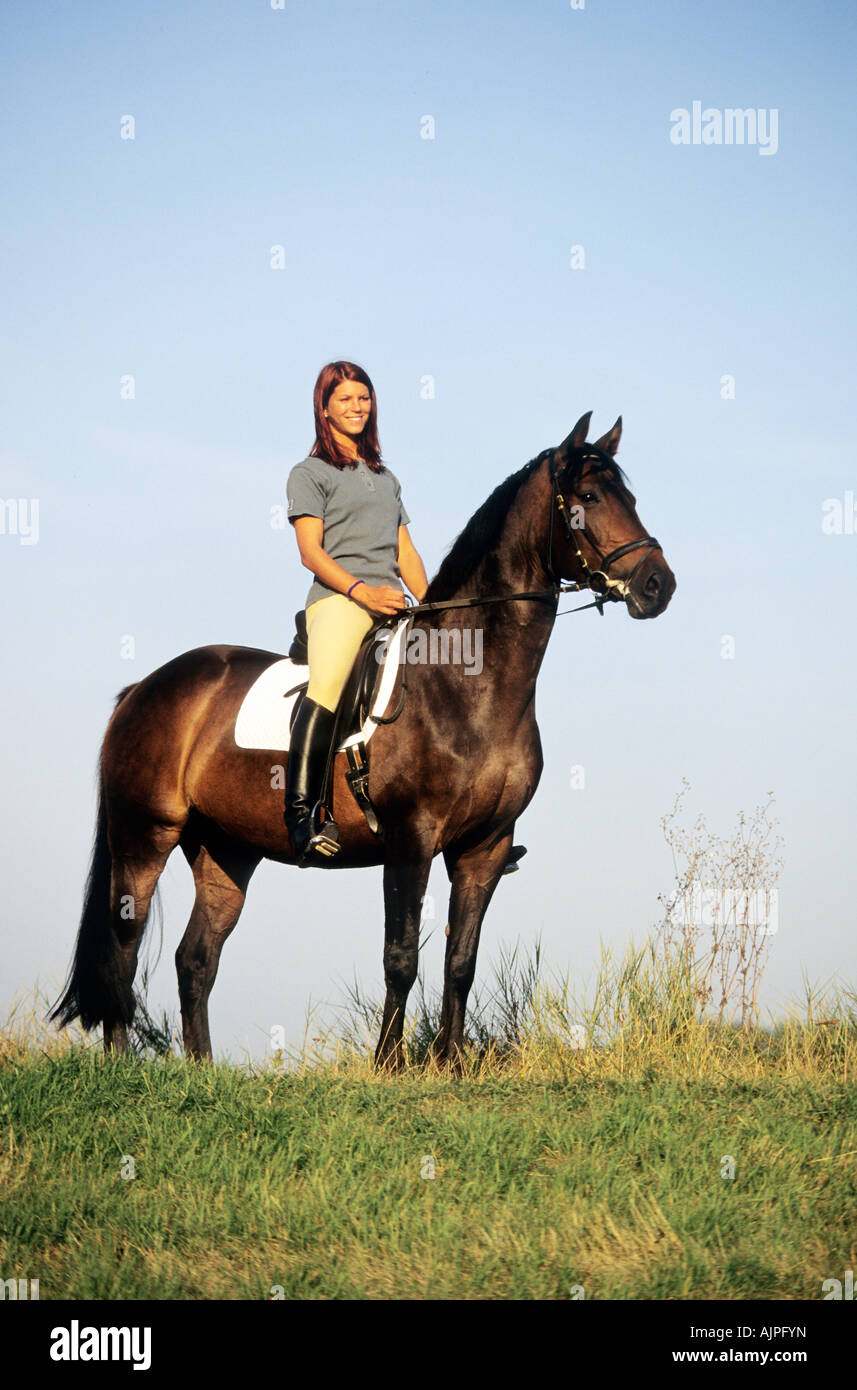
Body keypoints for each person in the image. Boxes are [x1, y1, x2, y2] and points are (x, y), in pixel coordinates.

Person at [285, 361, 429, 865]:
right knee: (326, 687)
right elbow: (310, 552)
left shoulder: (386, 479)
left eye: (364, 398)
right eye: (345, 399)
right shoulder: (309, 474)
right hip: (341, 600)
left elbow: (405, 554)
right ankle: (302, 815)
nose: (357, 408)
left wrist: (431, 607)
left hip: (393, 603)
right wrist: (363, 592)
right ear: (324, 409)